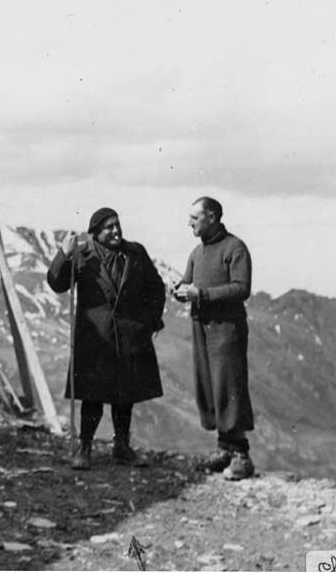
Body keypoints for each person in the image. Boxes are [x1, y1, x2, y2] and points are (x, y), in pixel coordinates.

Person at [46, 207, 166, 470]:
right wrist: (64, 254)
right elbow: (56, 282)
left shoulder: (136, 253)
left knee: (125, 397)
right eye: (109, 227)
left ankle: (122, 447)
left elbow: (156, 287)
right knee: (92, 396)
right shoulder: (82, 254)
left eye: (117, 225)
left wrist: (152, 320)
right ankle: (85, 448)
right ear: (96, 232)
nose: (115, 231)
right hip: (95, 338)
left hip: (130, 337)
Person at [173, 196, 255, 481]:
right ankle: (224, 448)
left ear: (212, 217)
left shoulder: (235, 248)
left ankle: (242, 456)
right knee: (209, 385)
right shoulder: (197, 253)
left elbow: (241, 288)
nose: (190, 223)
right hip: (201, 325)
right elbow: (187, 281)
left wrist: (203, 295)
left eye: (194, 218)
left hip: (226, 328)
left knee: (229, 385)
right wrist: (180, 289)